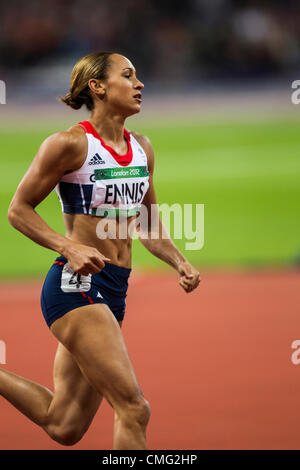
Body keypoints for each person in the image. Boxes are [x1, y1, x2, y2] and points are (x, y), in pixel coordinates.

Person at [3, 52, 201, 450]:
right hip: (76, 287)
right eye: (128, 76)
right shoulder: (69, 144)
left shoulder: (142, 149)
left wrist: (180, 260)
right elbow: (18, 209)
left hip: (114, 290)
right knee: (134, 408)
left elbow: (146, 223)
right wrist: (68, 246)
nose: (139, 83)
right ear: (98, 87)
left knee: (64, 425)